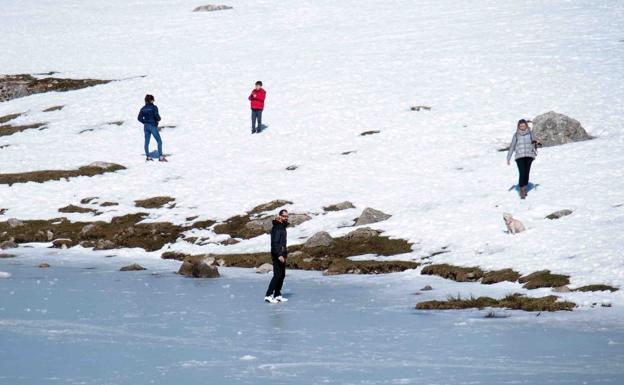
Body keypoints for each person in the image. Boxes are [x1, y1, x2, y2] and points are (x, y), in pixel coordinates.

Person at [507, 119, 540, 199]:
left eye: (523, 125)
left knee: (526, 172)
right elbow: (512, 146)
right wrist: (508, 158)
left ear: (526, 125)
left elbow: (534, 142)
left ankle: (525, 187)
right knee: (522, 172)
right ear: (518, 126)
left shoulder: (530, 133)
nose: (522, 127)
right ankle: (522, 190)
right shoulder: (516, 135)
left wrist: (536, 143)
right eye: (521, 126)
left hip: (529, 155)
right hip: (519, 156)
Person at [265, 209, 289, 303]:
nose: (286, 218)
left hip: (282, 254)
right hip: (277, 254)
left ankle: (277, 294)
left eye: (287, 216)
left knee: (282, 275)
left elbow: (282, 243)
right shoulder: (277, 227)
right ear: (279, 216)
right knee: (277, 275)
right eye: (284, 216)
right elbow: (275, 243)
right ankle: (268, 295)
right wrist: (279, 254)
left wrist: (284, 253)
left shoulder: (282, 226)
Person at [138, 94, 167, 162]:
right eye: (153, 99)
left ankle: (148, 157)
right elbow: (157, 116)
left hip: (146, 126)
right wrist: (158, 119)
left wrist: (145, 122)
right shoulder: (154, 107)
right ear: (151, 100)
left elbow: (139, 118)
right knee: (159, 141)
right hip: (153, 126)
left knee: (146, 142)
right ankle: (161, 157)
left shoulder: (142, 109)